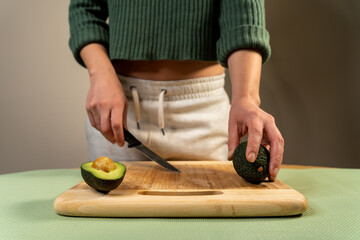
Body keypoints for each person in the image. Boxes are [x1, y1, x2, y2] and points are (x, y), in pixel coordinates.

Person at [68, 0, 284, 181]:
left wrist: (246, 98)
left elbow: (243, 15)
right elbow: (85, 8)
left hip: (203, 116)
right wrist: (100, 75)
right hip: (121, 116)